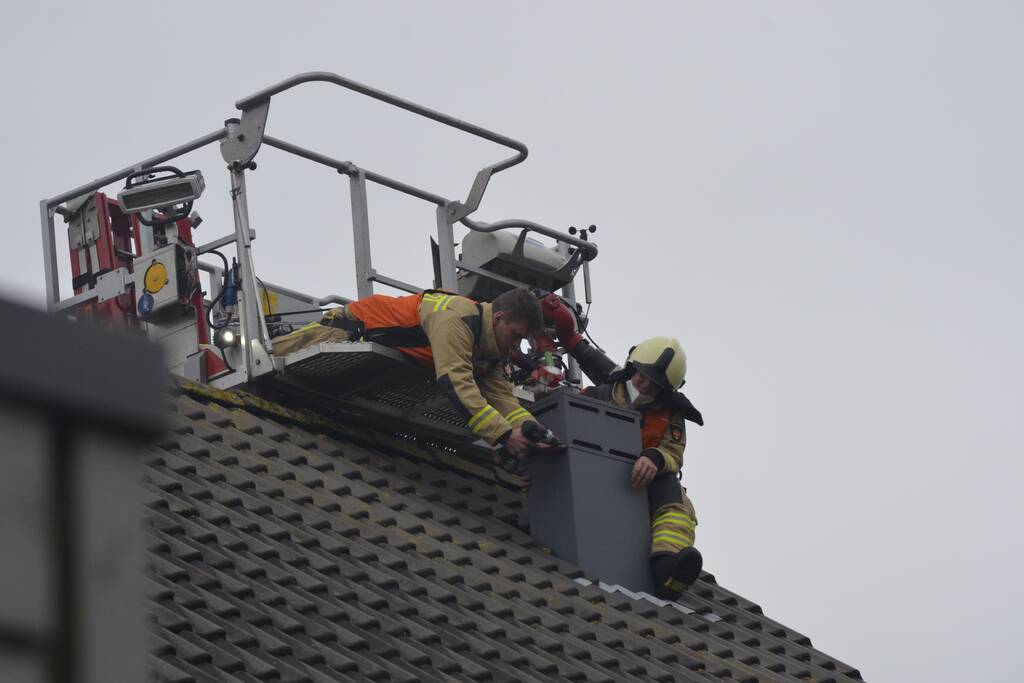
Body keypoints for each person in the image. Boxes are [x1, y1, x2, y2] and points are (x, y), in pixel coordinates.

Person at [272, 288, 546, 457]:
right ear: (498, 318)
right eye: (516, 335)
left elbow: (501, 395)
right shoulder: (457, 319)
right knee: (267, 360)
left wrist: (531, 429)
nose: (516, 345)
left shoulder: (490, 346)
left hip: (364, 341)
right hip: (344, 330)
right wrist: (503, 435)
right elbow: (456, 381)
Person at [582, 337, 705, 599]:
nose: (645, 384)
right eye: (643, 375)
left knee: (676, 503)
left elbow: (673, 453)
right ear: (632, 367)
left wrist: (655, 458)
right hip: (595, 475)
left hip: (642, 485)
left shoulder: (671, 413)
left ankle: (667, 571)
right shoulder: (598, 396)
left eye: (655, 383)